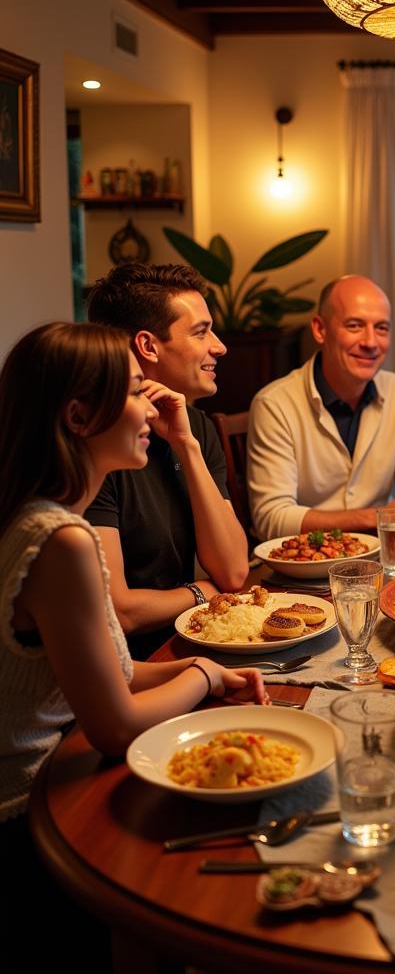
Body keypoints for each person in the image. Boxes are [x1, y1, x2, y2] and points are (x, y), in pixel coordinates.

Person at [0, 322, 267, 829]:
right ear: (78, 416)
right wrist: (200, 674)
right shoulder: (63, 542)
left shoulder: (36, 518)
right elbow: (116, 727)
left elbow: (110, 671)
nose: (151, 408)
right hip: (26, 803)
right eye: (133, 392)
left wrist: (209, 673)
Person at [85, 263, 250, 659]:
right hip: (125, 662)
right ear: (148, 345)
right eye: (200, 331)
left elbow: (234, 572)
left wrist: (186, 447)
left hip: (185, 642)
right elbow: (119, 612)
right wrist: (202, 592)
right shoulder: (98, 440)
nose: (220, 346)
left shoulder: (194, 426)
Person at [247, 275, 395, 540]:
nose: (371, 342)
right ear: (320, 330)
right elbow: (271, 518)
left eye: (382, 328)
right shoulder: (274, 404)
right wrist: (379, 516)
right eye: (354, 326)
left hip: (378, 556)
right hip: (302, 567)